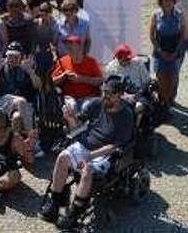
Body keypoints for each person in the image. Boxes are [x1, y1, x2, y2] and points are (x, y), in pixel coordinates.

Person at [39, 76, 134, 229]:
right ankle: (55, 202)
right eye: (103, 91)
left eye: (109, 93)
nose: (105, 96)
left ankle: (74, 214)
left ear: (119, 94)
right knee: (62, 157)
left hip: (106, 152)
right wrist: (70, 118)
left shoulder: (126, 115)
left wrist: (91, 156)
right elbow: (77, 126)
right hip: (86, 143)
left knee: (87, 169)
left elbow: (115, 146)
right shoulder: (97, 103)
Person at [0, 43, 42, 161]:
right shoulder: (0, 67)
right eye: (9, 56)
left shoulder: (27, 67)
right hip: (5, 101)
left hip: (25, 107)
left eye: (15, 56)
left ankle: (16, 151)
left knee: (17, 117)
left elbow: (38, 86)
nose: (11, 59)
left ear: (21, 57)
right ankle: (33, 140)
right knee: (20, 101)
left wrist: (31, 72)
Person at [149, 0, 186, 107]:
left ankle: (169, 103)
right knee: (161, 81)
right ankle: (162, 104)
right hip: (159, 54)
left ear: (174, 1)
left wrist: (176, 51)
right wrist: (160, 51)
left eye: (170, 0)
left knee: (172, 81)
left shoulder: (179, 15)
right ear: (161, 1)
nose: (168, 2)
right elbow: (151, 36)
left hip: (174, 53)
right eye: (165, 0)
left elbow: (182, 35)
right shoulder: (156, 15)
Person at [51, 35, 103, 113]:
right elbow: (52, 81)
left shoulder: (91, 62)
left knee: (87, 107)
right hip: (69, 97)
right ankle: (74, 124)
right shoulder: (62, 61)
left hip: (88, 97)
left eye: (71, 45)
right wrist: (63, 76)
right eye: (67, 45)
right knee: (71, 107)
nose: (68, 47)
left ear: (79, 47)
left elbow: (99, 81)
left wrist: (81, 79)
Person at [104, 43, 151, 124]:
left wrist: (136, 95)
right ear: (118, 59)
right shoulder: (111, 68)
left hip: (138, 92)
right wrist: (123, 96)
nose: (129, 60)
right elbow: (108, 87)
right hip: (119, 95)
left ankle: (135, 128)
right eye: (126, 59)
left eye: (129, 58)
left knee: (138, 106)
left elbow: (146, 82)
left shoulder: (138, 63)